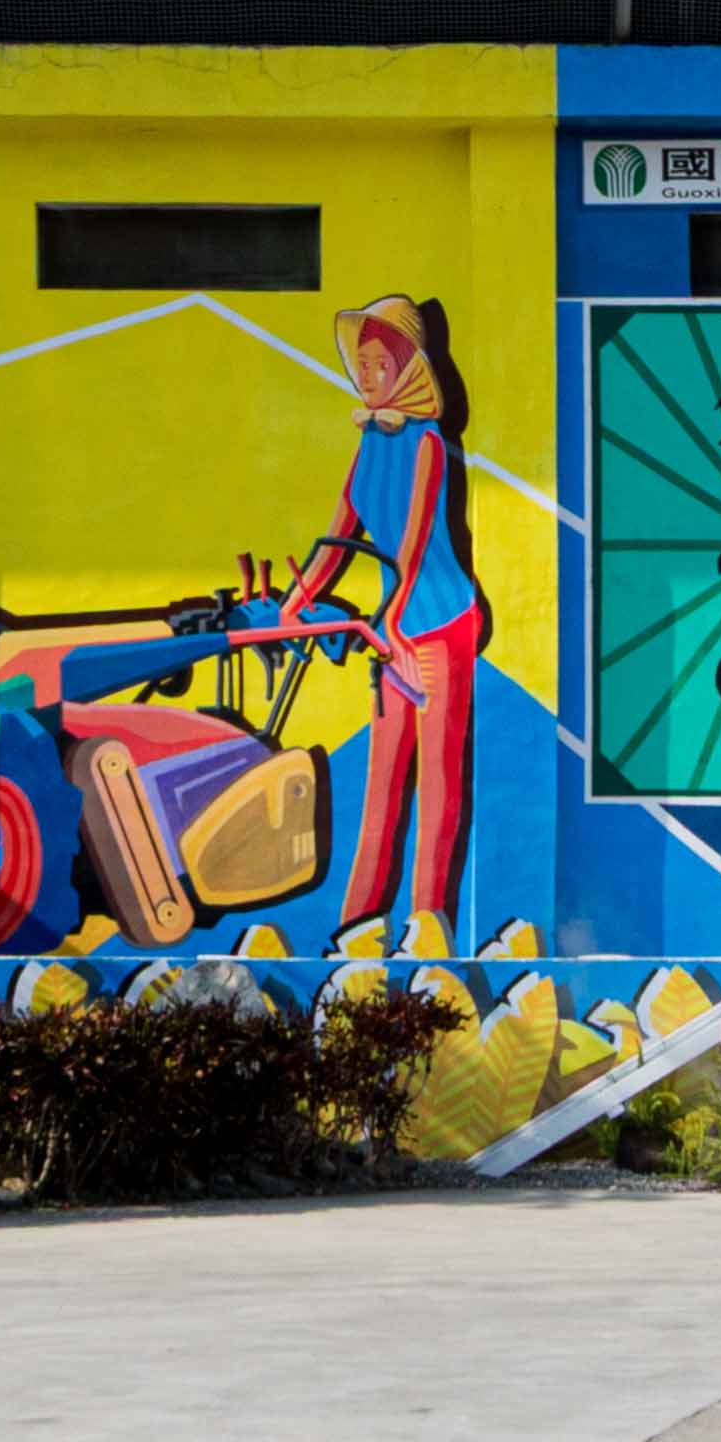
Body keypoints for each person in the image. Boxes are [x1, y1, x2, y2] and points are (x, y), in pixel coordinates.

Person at [255, 295, 486, 953]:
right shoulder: (368, 443)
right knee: (383, 782)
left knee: (437, 781)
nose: (367, 375)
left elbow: (413, 547)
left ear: (409, 367)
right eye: (360, 365)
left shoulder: (428, 445)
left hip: (438, 622)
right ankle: (356, 927)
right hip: (393, 631)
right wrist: (295, 603)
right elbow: (337, 535)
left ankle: (428, 927)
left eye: (378, 363)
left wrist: (395, 632)